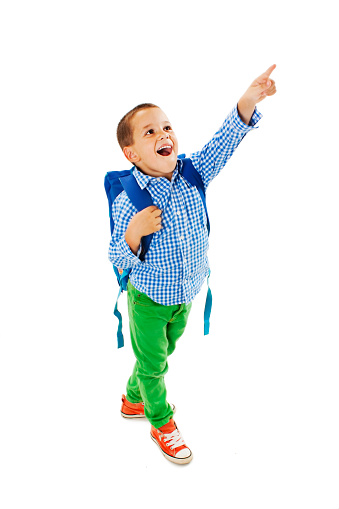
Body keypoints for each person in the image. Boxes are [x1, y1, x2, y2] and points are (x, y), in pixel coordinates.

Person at [108, 65, 277, 464]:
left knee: (160, 353)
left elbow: (223, 143)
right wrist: (134, 231)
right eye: (150, 132)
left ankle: (132, 399)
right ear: (131, 153)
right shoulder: (128, 199)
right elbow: (116, 255)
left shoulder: (192, 173)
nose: (163, 135)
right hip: (148, 300)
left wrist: (248, 101)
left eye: (166, 127)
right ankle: (160, 421)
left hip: (186, 294)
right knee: (154, 366)